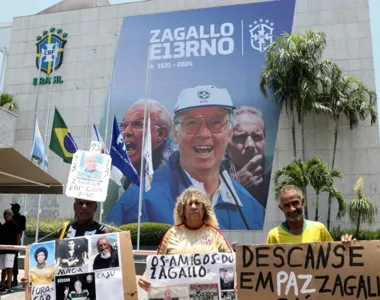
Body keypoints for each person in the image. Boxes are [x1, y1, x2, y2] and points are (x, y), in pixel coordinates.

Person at [109, 85, 265, 230]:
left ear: (230, 133)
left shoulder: (253, 211)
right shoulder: (138, 201)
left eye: (216, 122)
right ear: (176, 133)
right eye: (191, 123)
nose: (204, 134)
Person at [138, 186, 233, 291]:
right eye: (189, 204)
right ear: (182, 210)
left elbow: (231, 261)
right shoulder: (172, 233)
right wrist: (145, 276)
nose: (193, 207)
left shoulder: (215, 234)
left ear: (204, 209)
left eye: (197, 203)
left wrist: (235, 282)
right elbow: (156, 262)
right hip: (177, 294)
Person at [104, 98, 177, 220]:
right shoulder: (129, 179)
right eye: (123, 126)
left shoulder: (177, 175)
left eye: (138, 124)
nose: (126, 132)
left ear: (160, 133)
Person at [21, 197, 109, 288]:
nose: (84, 207)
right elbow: (54, 261)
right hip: (66, 288)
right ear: (74, 206)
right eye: (80, 203)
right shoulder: (64, 230)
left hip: (92, 288)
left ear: (95, 208)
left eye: (89, 203)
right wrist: (33, 278)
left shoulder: (103, 232)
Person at [266, 185, 355, 244]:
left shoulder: (319, 229)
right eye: (286, 206)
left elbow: (333, 258)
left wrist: (347, 247)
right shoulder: (273, 236)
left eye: (295, 203)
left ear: (303, 202)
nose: (292, 209)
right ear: (281, 209)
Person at [224, 106, 271, 208]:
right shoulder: (213, 176)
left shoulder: (277, 172)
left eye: (257, 137)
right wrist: (235, 187)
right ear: (226, 146)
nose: (250, 145)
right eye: (240, 137)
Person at [0, 209, 21, 294]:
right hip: (3, 250)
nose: (6, 216)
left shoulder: (14, 224)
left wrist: (15, 247)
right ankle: (2, 283)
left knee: (9, 268)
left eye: (8, 214)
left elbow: (18, 236)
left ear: (11, 215)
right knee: (3, 268)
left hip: (10, 250)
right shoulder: (4, 225)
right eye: (5, 214)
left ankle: (8, 286)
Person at [10, 203, 26, 287]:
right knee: (9, 261)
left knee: (14, 260)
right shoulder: (12, 218)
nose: (12, 210)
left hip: (16, 241)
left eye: (13, 208)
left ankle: (15, 279)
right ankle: (10, 278)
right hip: (9, 241)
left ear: (16, 209)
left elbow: (21, 230)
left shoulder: (21, 218)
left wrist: (18, 241)